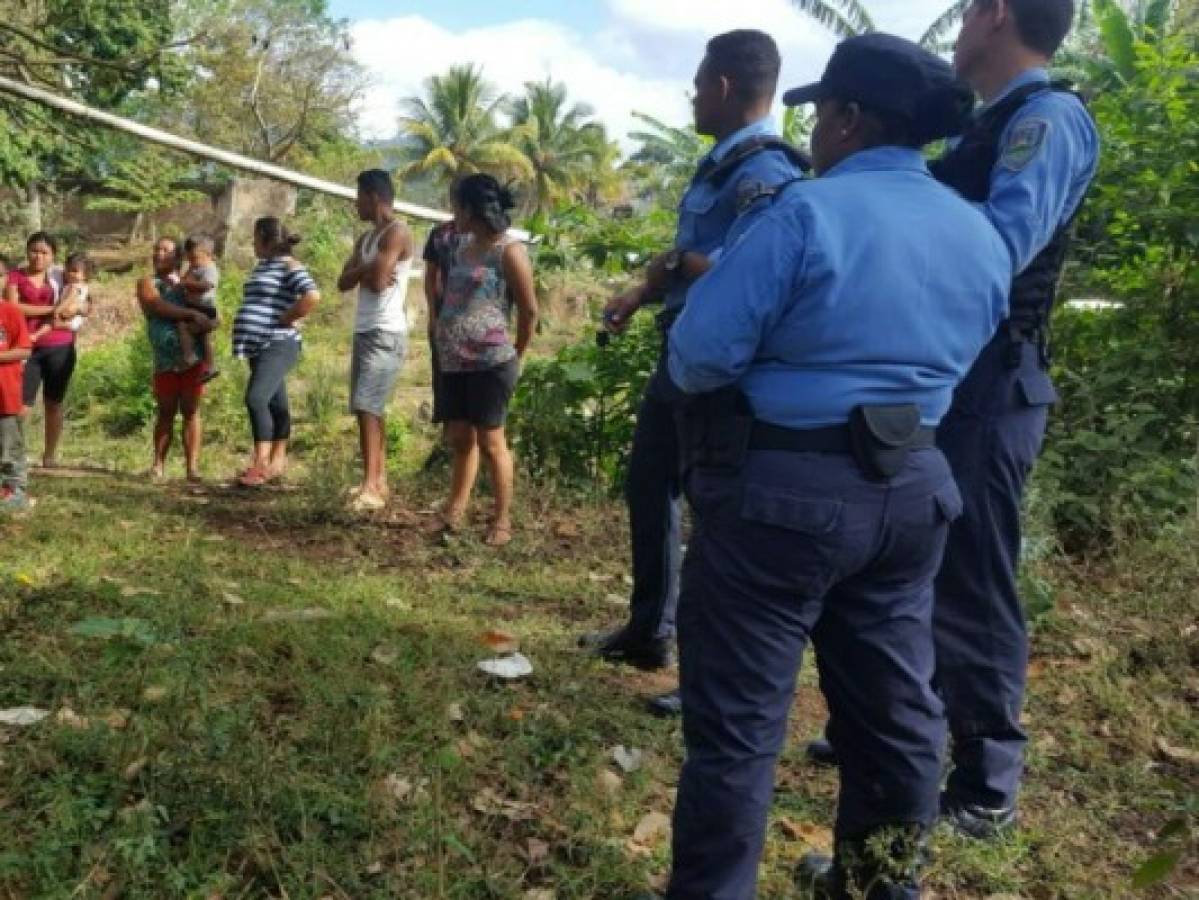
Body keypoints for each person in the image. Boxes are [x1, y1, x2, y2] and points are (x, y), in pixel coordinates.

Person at [662, 34, 1011, 899]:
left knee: (740, 726)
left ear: (849, 120)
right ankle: (878, 884)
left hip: (780, 493)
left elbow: (698, 357)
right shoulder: (980, 234)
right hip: (912, 492)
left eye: (822, 112)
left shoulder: (802, 214)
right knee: (893, 714)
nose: (813, 128)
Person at [804, 0, 1100, 842]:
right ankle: (900, 733)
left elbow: (994, 253)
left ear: (997, 14)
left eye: (968, 8)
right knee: (908, 567)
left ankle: (987, 778)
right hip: (942, 373)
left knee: (970, 572)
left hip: (988, 381)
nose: (959, 24)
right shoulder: (986, 126)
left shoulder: (1046, 120)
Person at [578, 29, 810, 701]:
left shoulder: (765, 173)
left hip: (723, 365)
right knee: (649, 484)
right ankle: (649, 629)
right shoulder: (720, 166)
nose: (690, 97)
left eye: (697, 84)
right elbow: (695, 256)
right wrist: (643, 290)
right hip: (684, 346)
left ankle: (709, 668)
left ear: (722, 87)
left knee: (714, 508)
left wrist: (676, 266)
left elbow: (755, 272)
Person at [434, 174, 537, 547]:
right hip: (454, 361)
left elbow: (529, 311)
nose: (452, 212)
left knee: (491, 441)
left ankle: (502, 520)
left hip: (491, 362)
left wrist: (517, 355)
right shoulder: (459, 247)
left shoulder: (508, 251)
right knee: (460, 437)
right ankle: (454, 511)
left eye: (455, 204)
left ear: (470, 208)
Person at [336, 169, 413, 511]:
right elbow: (343, 282)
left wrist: (366, 272)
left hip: (385, 331)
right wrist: (368, 270)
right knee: (366, 407)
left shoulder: (398, 232)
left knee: (368, 405)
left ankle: (371, 487)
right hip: (364, 330)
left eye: (358, 197)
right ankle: (377, 481)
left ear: (374, 196)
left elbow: (379, 283)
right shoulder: (365, 240)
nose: (355, 204)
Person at [231, 217, 320, 487]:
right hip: (259, 344)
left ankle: (259, 465)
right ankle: (278, 461)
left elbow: (312, 295)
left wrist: (287, 317)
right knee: (276, 404)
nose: (253, 242)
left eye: (255, 237)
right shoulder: (264, 266)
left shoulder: (290, 265)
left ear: (266, 239)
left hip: (278, 342)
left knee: (256, 399)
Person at [137, 237, 216, 482]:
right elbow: (156, 306)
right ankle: (158, 464)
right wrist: (190, 313)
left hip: (193, 357)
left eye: (166, 251)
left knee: (191, 410)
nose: (159, 254)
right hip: (165, 358)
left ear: (178, 257)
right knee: (166, 410)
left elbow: (210, 307)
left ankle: (192, 469)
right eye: (156, 249)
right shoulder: (147, 282)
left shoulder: (189, 280)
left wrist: (209, 320)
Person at [5, 232, 73, 469]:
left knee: (53, 402)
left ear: (53, 255)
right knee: (19, 405)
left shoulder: (60, 277)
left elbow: (78, 300)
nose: (38, 257)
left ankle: (50, 455)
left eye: (44, 252)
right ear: (27, 251)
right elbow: (13, 307)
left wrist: (72, 309)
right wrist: (51, 309)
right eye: (34, 250)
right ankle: (14, 453)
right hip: (26, 347)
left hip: (59, 345)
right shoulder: (16, 276)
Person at [420, 189, 460, 468]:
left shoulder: (489, 238)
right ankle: (447, 443)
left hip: (477, 328)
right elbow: (431, 276)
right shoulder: (441, 235)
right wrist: (433, 315)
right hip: (444, 321)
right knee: (443, 381)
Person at [0, 291, 32, 510]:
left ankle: (16, 492)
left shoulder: (10, 311)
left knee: (9, 446)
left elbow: (23, 349)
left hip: (6, 392)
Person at [177, 234, 221, 383]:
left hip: (204, 309)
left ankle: (190, 356)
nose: (192, 262)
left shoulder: (210, 269)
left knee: (184, 327)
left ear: (208, 255)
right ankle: (209, 366)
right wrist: (189, 270)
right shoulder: (195, 267)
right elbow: (184, 279)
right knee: (203, 338)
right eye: (189, 259)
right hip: (196, 307)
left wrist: (187, 284)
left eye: (195, 258)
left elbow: (206, 286)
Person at [41, 253, 92, 337]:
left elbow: (69, 299)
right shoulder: (79, 285)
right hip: (71, 316)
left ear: (85, 275)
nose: (70, 273)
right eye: (68, 269)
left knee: (51, 323)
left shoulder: (74, 286)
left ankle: (35, 335)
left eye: (75, 271)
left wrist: (57, 310)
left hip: (71, 315)